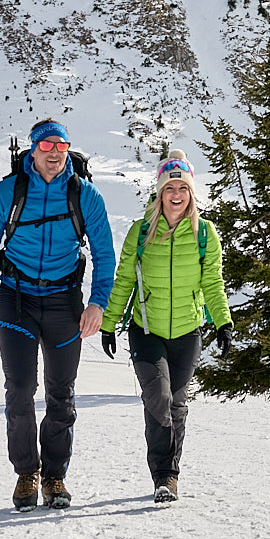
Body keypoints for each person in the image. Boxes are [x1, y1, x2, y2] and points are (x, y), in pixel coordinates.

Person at [0, 119, 116, 512]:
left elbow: (105, 256)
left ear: (68, 151)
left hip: (65, 302)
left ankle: (54, 476)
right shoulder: (9, 191)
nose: (53, 153)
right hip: (16, 299)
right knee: (19, 389)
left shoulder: (85, 196)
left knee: (61, 394)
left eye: (60, 147)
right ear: (32, 150)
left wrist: (97, 303)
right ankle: (26, 473)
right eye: (46, 146)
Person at [100, 148, 233, 503]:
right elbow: (124, 280)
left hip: (188, 331)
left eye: (183, 188)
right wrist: (109, 324)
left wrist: (223, 323)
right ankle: (163, 475)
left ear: (191, 194)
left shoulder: (204, 234)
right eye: (170, 188)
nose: (176, 195)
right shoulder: (140, 233)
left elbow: (213, 283)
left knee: (176, 402)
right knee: (157, 398)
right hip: (147, 329)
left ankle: (169, 476)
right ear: (160, 193)